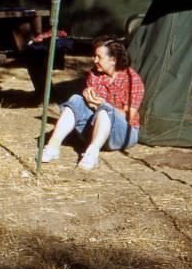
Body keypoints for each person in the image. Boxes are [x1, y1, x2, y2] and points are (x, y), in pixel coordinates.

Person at [41, 35, 145, 170]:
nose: (94, 60)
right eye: (94, 56)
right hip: (95, 130)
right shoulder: (94, 75)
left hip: (123, 135)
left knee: (104, 110)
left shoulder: (132, 80)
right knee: (76, 99)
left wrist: (102, 105)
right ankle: (53, 146)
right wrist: (88, 100)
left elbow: (128, 116)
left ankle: (91, 154)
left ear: (113, 60)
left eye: (99, 57)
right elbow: (89, 107)